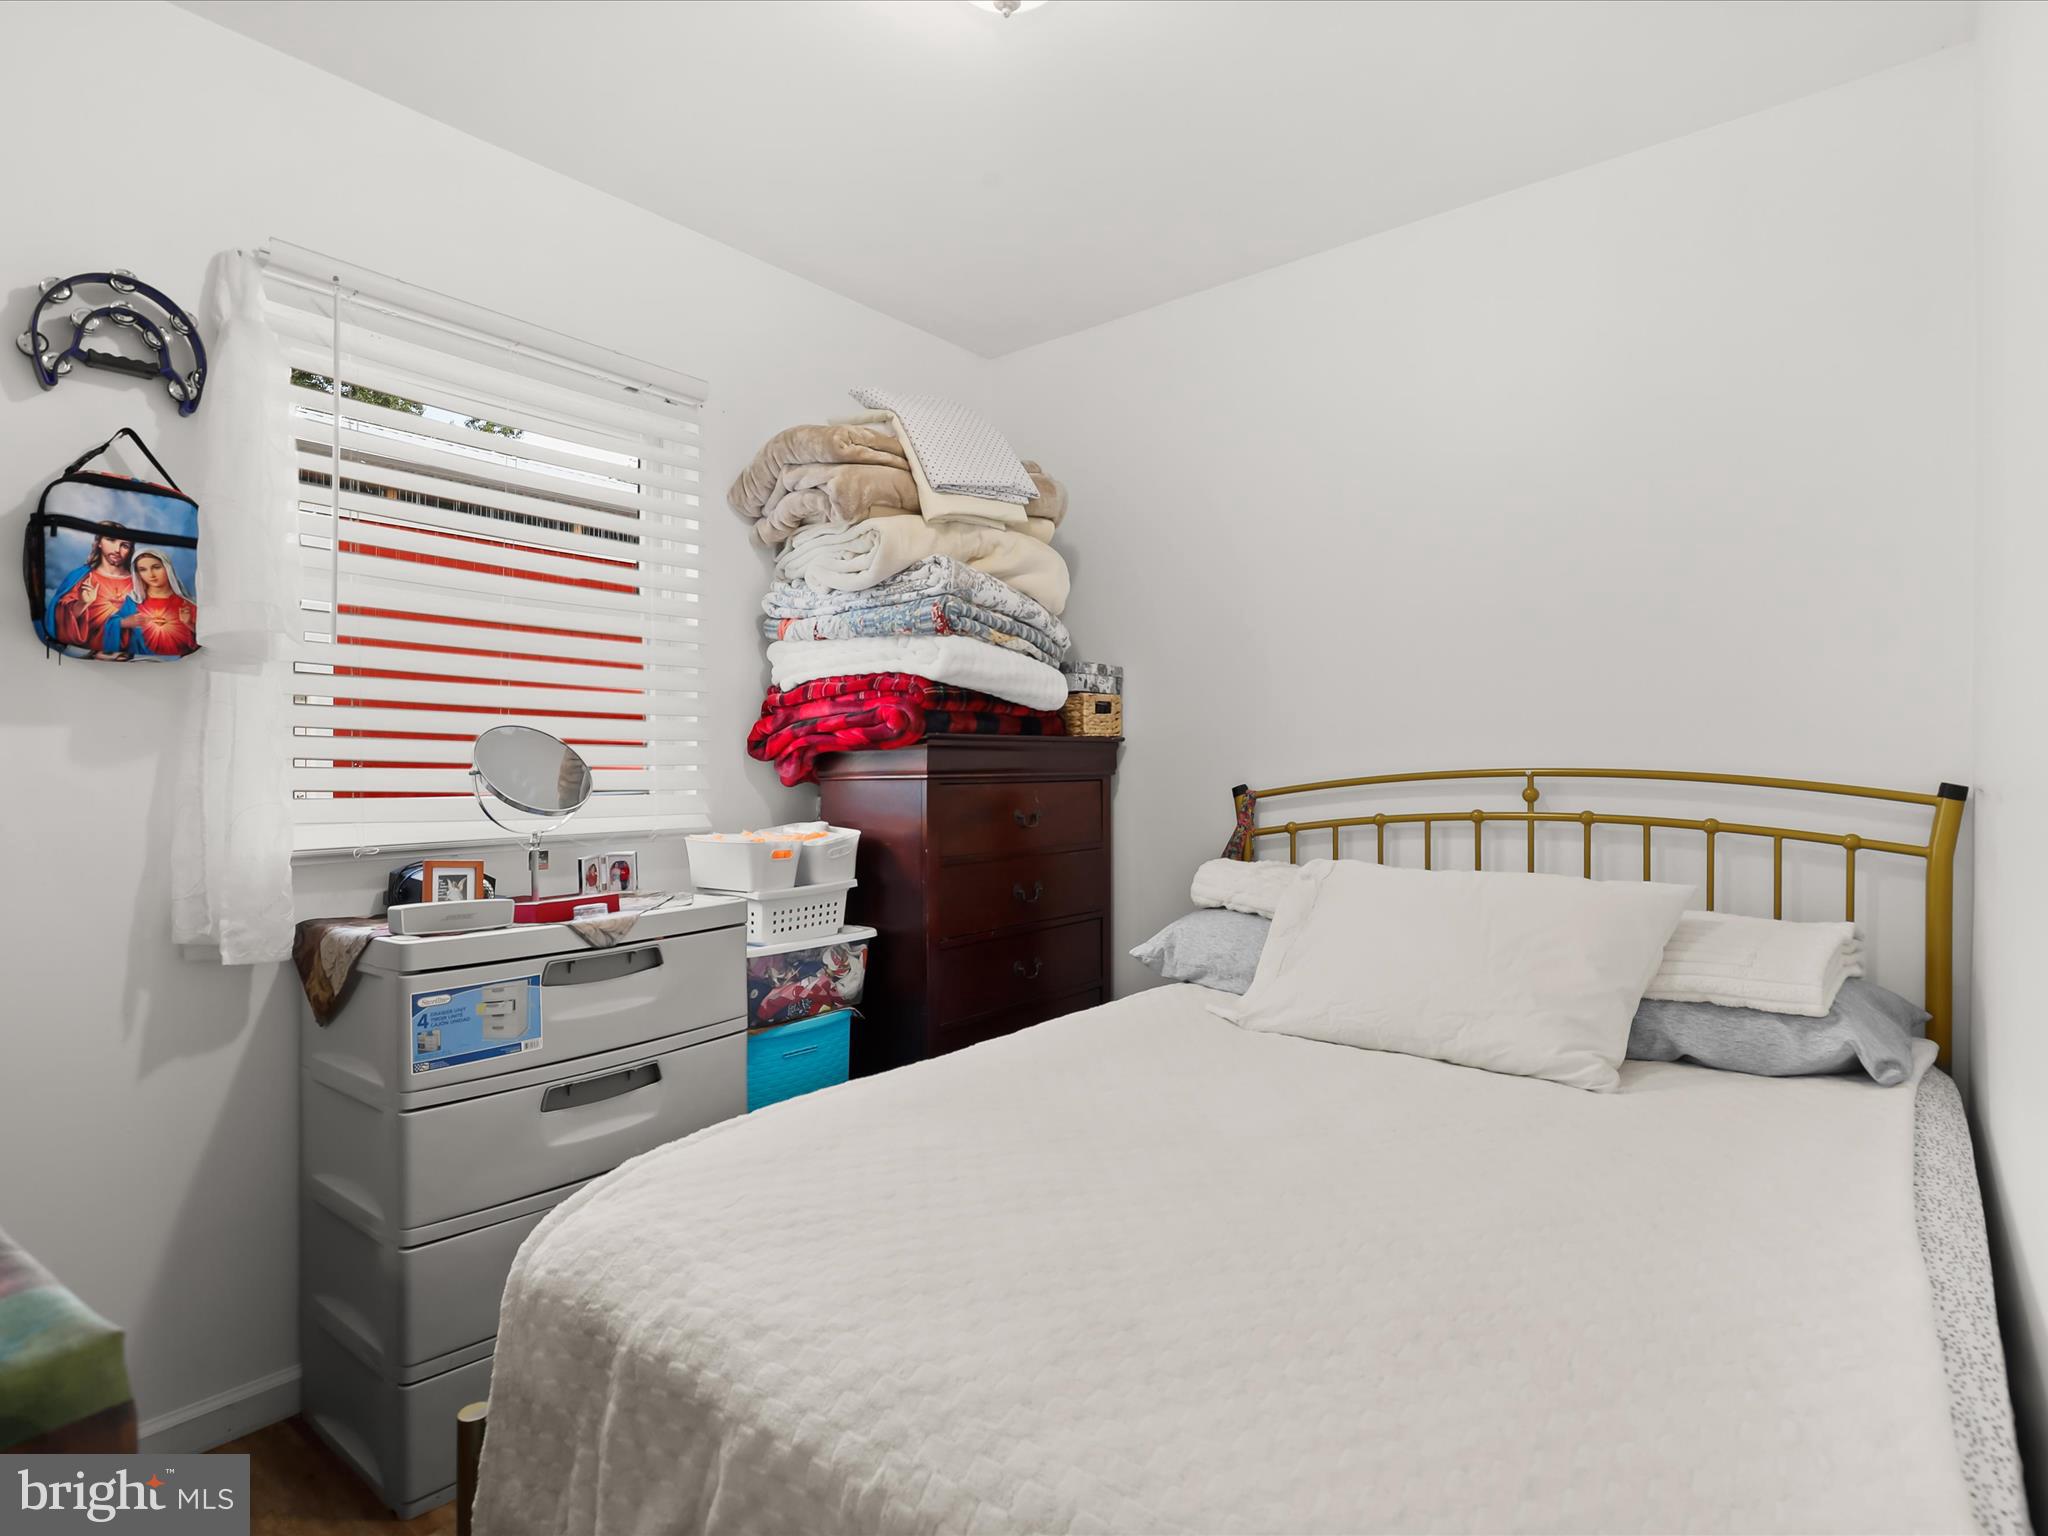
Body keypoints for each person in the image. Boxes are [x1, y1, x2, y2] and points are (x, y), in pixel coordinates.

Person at [46, 524, 138, 655]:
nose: (117, 549)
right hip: (82, 654)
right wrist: (82, 603)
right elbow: (59, 615)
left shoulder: (139, 581)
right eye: (111, 540)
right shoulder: (81, 576)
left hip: (131, 654)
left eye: (125, 545)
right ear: (99, 542)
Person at [118, 549, 199, 658]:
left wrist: (189, 624)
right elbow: (110, 630)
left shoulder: (187, 604)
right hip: (140, 662)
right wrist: (124, 622)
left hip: (180, 663)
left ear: (167, 567)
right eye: (143, 570)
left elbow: (204, 640)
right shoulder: (133, 601)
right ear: (137, 573)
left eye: (156, 567)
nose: (151, 575)